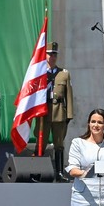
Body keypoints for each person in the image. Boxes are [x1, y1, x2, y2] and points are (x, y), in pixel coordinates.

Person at [33, 41, 73, 181]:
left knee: (59, 144)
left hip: (58, 112)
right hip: (43, 112)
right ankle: (37, 172)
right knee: (40, 143)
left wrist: (69, 115)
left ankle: (59, 173)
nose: (52, 57)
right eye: (49, 54)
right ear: (45, 55)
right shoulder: (39, 74)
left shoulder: (63, 74)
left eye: (54, 54)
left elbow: (69, 95)